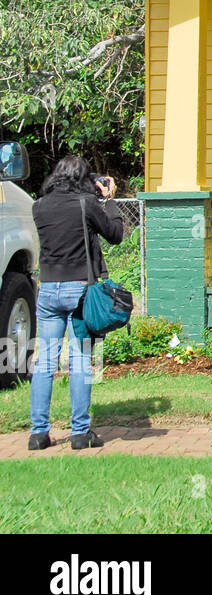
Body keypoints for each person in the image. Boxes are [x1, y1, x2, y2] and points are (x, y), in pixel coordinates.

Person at [29, 155, 122, 451]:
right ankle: (80, 433)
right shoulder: (86, 203)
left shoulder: (39, 206)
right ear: (83, 178)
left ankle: (38, 433)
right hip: (79, 289)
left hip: (47, 290)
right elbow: (115, 235)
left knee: (44, 361)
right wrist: (109, 200)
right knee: (81, 359)